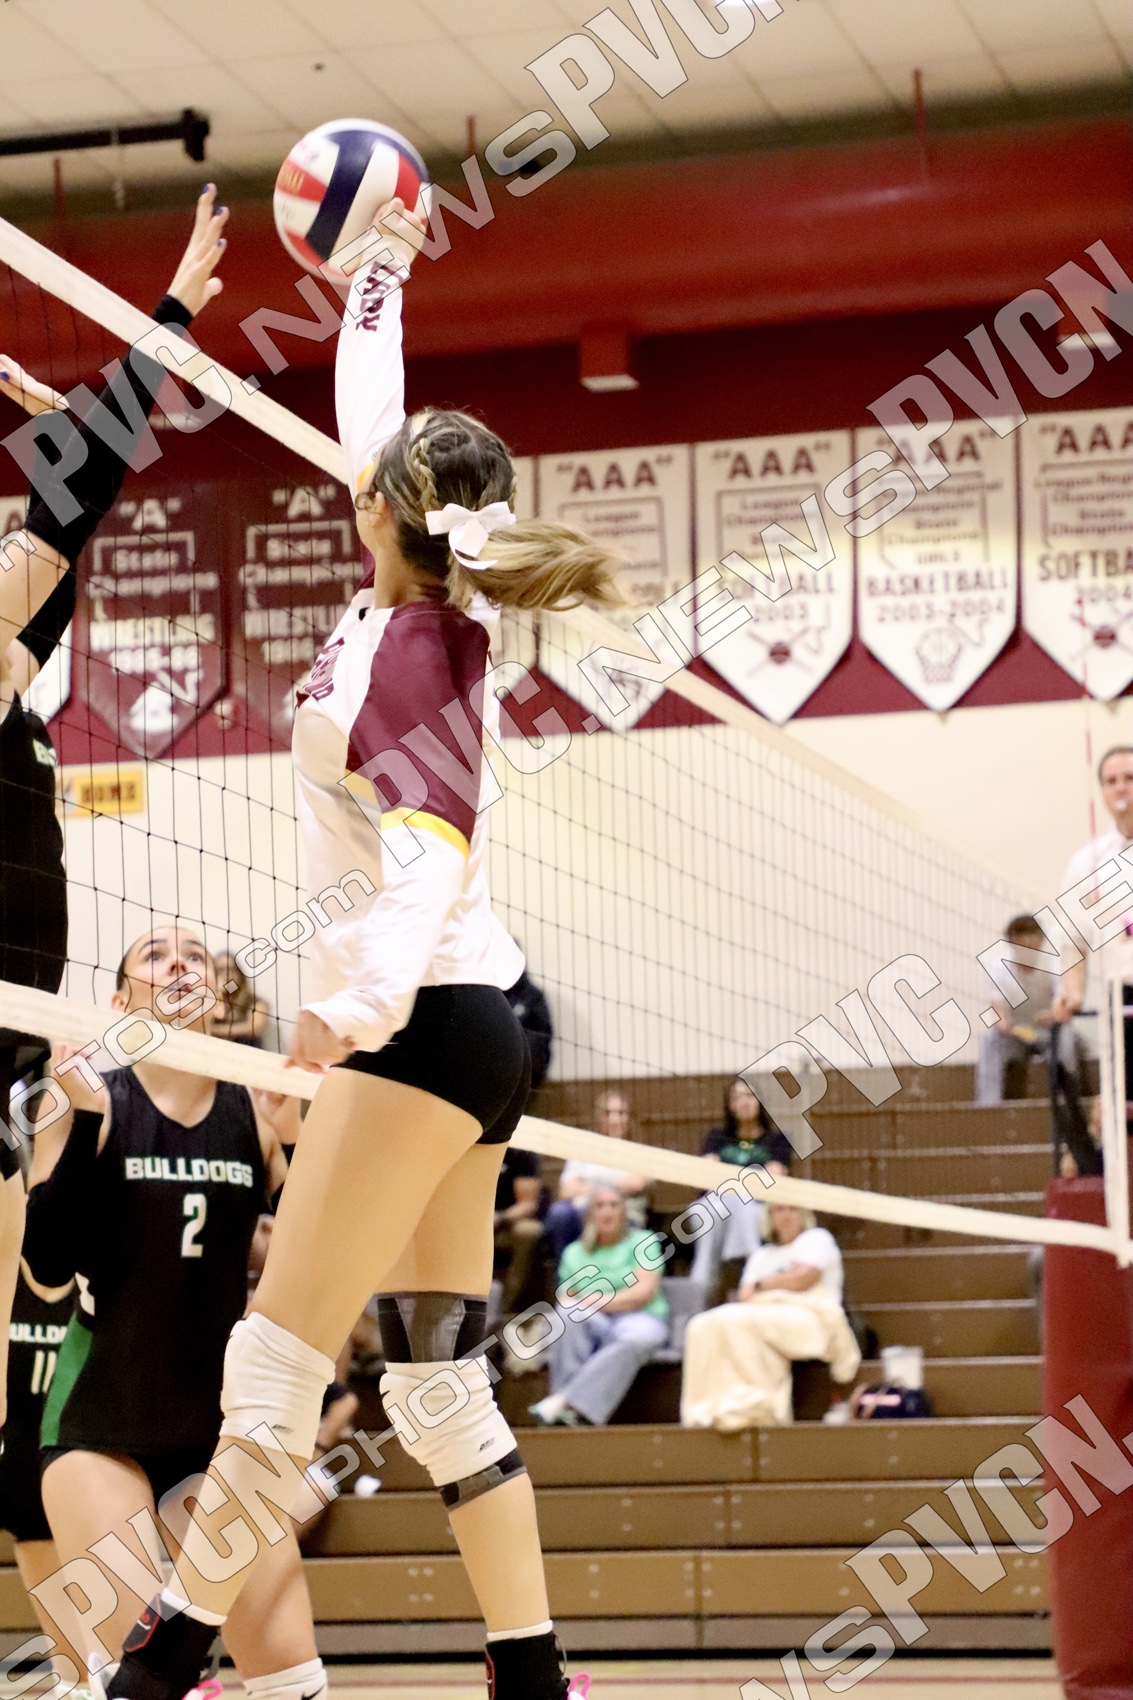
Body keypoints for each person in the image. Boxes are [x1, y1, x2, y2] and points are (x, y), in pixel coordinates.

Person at [105, 197, 618, 1700]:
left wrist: (348, 1012)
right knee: (437, 1377)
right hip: (472, 1028)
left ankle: (162, 1667)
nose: (356, 482)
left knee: (272, 1362)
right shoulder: (415, 609)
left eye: (369, 482)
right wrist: (375, 274)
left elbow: (428, 851)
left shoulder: (409, 653)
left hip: (423, 1023)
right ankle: (532, 1677)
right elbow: (376, 425)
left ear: (383, 511)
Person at [0, 188, 231, 1417]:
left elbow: (59, 547)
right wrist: (172, 312)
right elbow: (67, 512)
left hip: (15, 1040)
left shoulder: (13, 675)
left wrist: (59, 441)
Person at [25, 926, 325, 1700]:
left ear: (219, 995)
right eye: (156, 956)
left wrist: (300, 1140)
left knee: (294, 1682)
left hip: (220, 1440)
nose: (181, 964)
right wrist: (84, 1118)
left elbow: (320, 1260)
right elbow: (47, 1266)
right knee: (131, 1682)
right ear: (120, 1001)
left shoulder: (256, 1109)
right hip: (100, 1425)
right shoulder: (91, 1099)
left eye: (196, 956)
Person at [680, 1203, 860, 1431]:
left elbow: (803, 1278)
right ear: (770, 1216)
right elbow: (746, 1294)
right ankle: (708, 1407)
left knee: (736, 1321)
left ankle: (758, 1405)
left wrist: (763, 1284)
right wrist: (780, 1280)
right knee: (700, 1325)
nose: (786, 1215)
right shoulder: (762, 1255)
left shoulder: (817, 1239)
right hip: (764, 1312)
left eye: (793, 1209)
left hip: (810, 1316)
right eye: (779, 1210)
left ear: (804, 1214)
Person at [0, 1258, 88, 1695]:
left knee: (78, 1674)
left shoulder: (92, 1275)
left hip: (59, 1468)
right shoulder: (7, 1264)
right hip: (8, 1455)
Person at [529, 1188, 669, 1428]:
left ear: (624, 1212)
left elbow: (642, 1293)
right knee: (566, 1315)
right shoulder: (574, 1251)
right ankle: (567, 1411)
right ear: (590, 1214)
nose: (607, 1211)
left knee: (636, 1337)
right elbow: (565, 1297)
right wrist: (599, 1301)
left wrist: (591, 1299)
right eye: (600, 1205)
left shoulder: (644, 1241)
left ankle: (564, 1402)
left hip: (640, 1317)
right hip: (594, 1321)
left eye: (614, 1205)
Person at [690, 1079, 792, 1297]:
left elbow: (774, 1178)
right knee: (718, 1207)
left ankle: (704, 1278)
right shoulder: (716, 1137)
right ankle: (751, 1259)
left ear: (760, 1102)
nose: (744, 1102)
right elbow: (705, 1176)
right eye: (737, 1097)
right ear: (730, 1105)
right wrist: (750, 1178)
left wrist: (728, 1178)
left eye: (749, 1096)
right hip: (715, 1204)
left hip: (758, 1207)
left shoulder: (777, 1140)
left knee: (740, 1198)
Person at [543, 1092, 649, 1261]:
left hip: (623, 1214)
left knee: (605, 1216)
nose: (614, 1119)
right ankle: (568, 1272)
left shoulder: (639, 1151)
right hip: (582, 1211)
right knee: (559, 1214)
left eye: (621, 1113)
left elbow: (636, 1184)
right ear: (599, 1118)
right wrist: (612, 1185)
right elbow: (566, 1190)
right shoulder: (583, 1147)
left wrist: (589, 1185)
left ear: (630, 1118)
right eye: (608, 1113)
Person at [492, 1145, 545, 1325]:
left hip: (507, 1223)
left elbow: (528, 1204)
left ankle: (507, 1308)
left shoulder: (522, 1152)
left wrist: (499, 1218)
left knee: (528, 1231)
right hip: (471, 1220)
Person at [212, 955, 269, 1049]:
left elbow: (256, 1028)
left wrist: (216, 1030)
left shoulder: (254, 1001)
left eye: (231, 970)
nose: (226, 974)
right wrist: (218, 992)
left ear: (239, 975)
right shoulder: (210, 1000)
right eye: (220, 970)